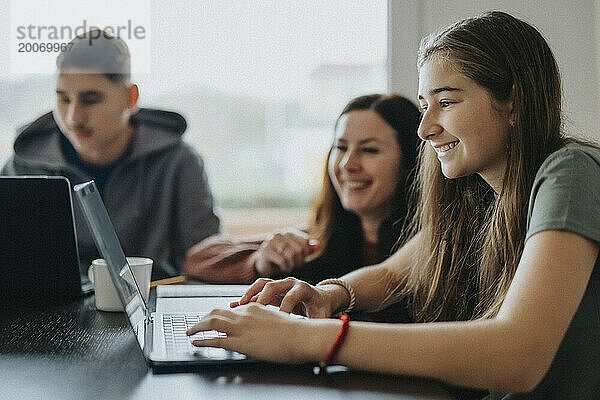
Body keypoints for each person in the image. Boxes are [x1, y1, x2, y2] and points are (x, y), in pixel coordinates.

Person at [187, 11, 600, 399]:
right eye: (425, 105)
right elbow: (393, 275)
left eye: (447, 101)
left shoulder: (569, 173)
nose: (425, 127)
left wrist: (305, 339)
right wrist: (328, 294)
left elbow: (519, 356)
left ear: (512, 101)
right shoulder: (480, 191)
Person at [1, 30, 220, 280]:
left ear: (130, 97)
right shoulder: (22, 168)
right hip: (54, 311)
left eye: (90, 100)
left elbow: (208, 261)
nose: (73, 118)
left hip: (153, 303)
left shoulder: (181, 162)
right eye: (63, 99)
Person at [182, 94, 421, 287]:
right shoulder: (318, 243)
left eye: (369, 150)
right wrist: (260, 262)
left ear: (411, 160)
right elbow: (198, 258)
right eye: (340, 147)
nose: (348, 164)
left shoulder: (432, 248)